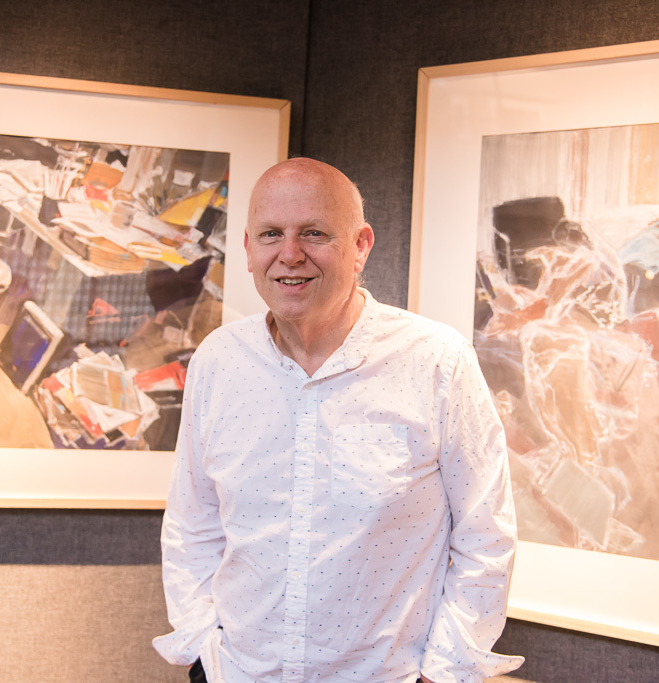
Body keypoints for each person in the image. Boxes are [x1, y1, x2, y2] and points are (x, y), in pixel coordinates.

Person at [153, 157, 524, 682]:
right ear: (248, 249)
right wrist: (199, 647)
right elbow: (193, 522)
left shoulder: (436, 361)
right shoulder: (219, 360)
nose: (290, 254)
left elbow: (485, 536)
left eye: (314, 233)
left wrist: (442, 672)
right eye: (271, 234)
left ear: (360, 246)